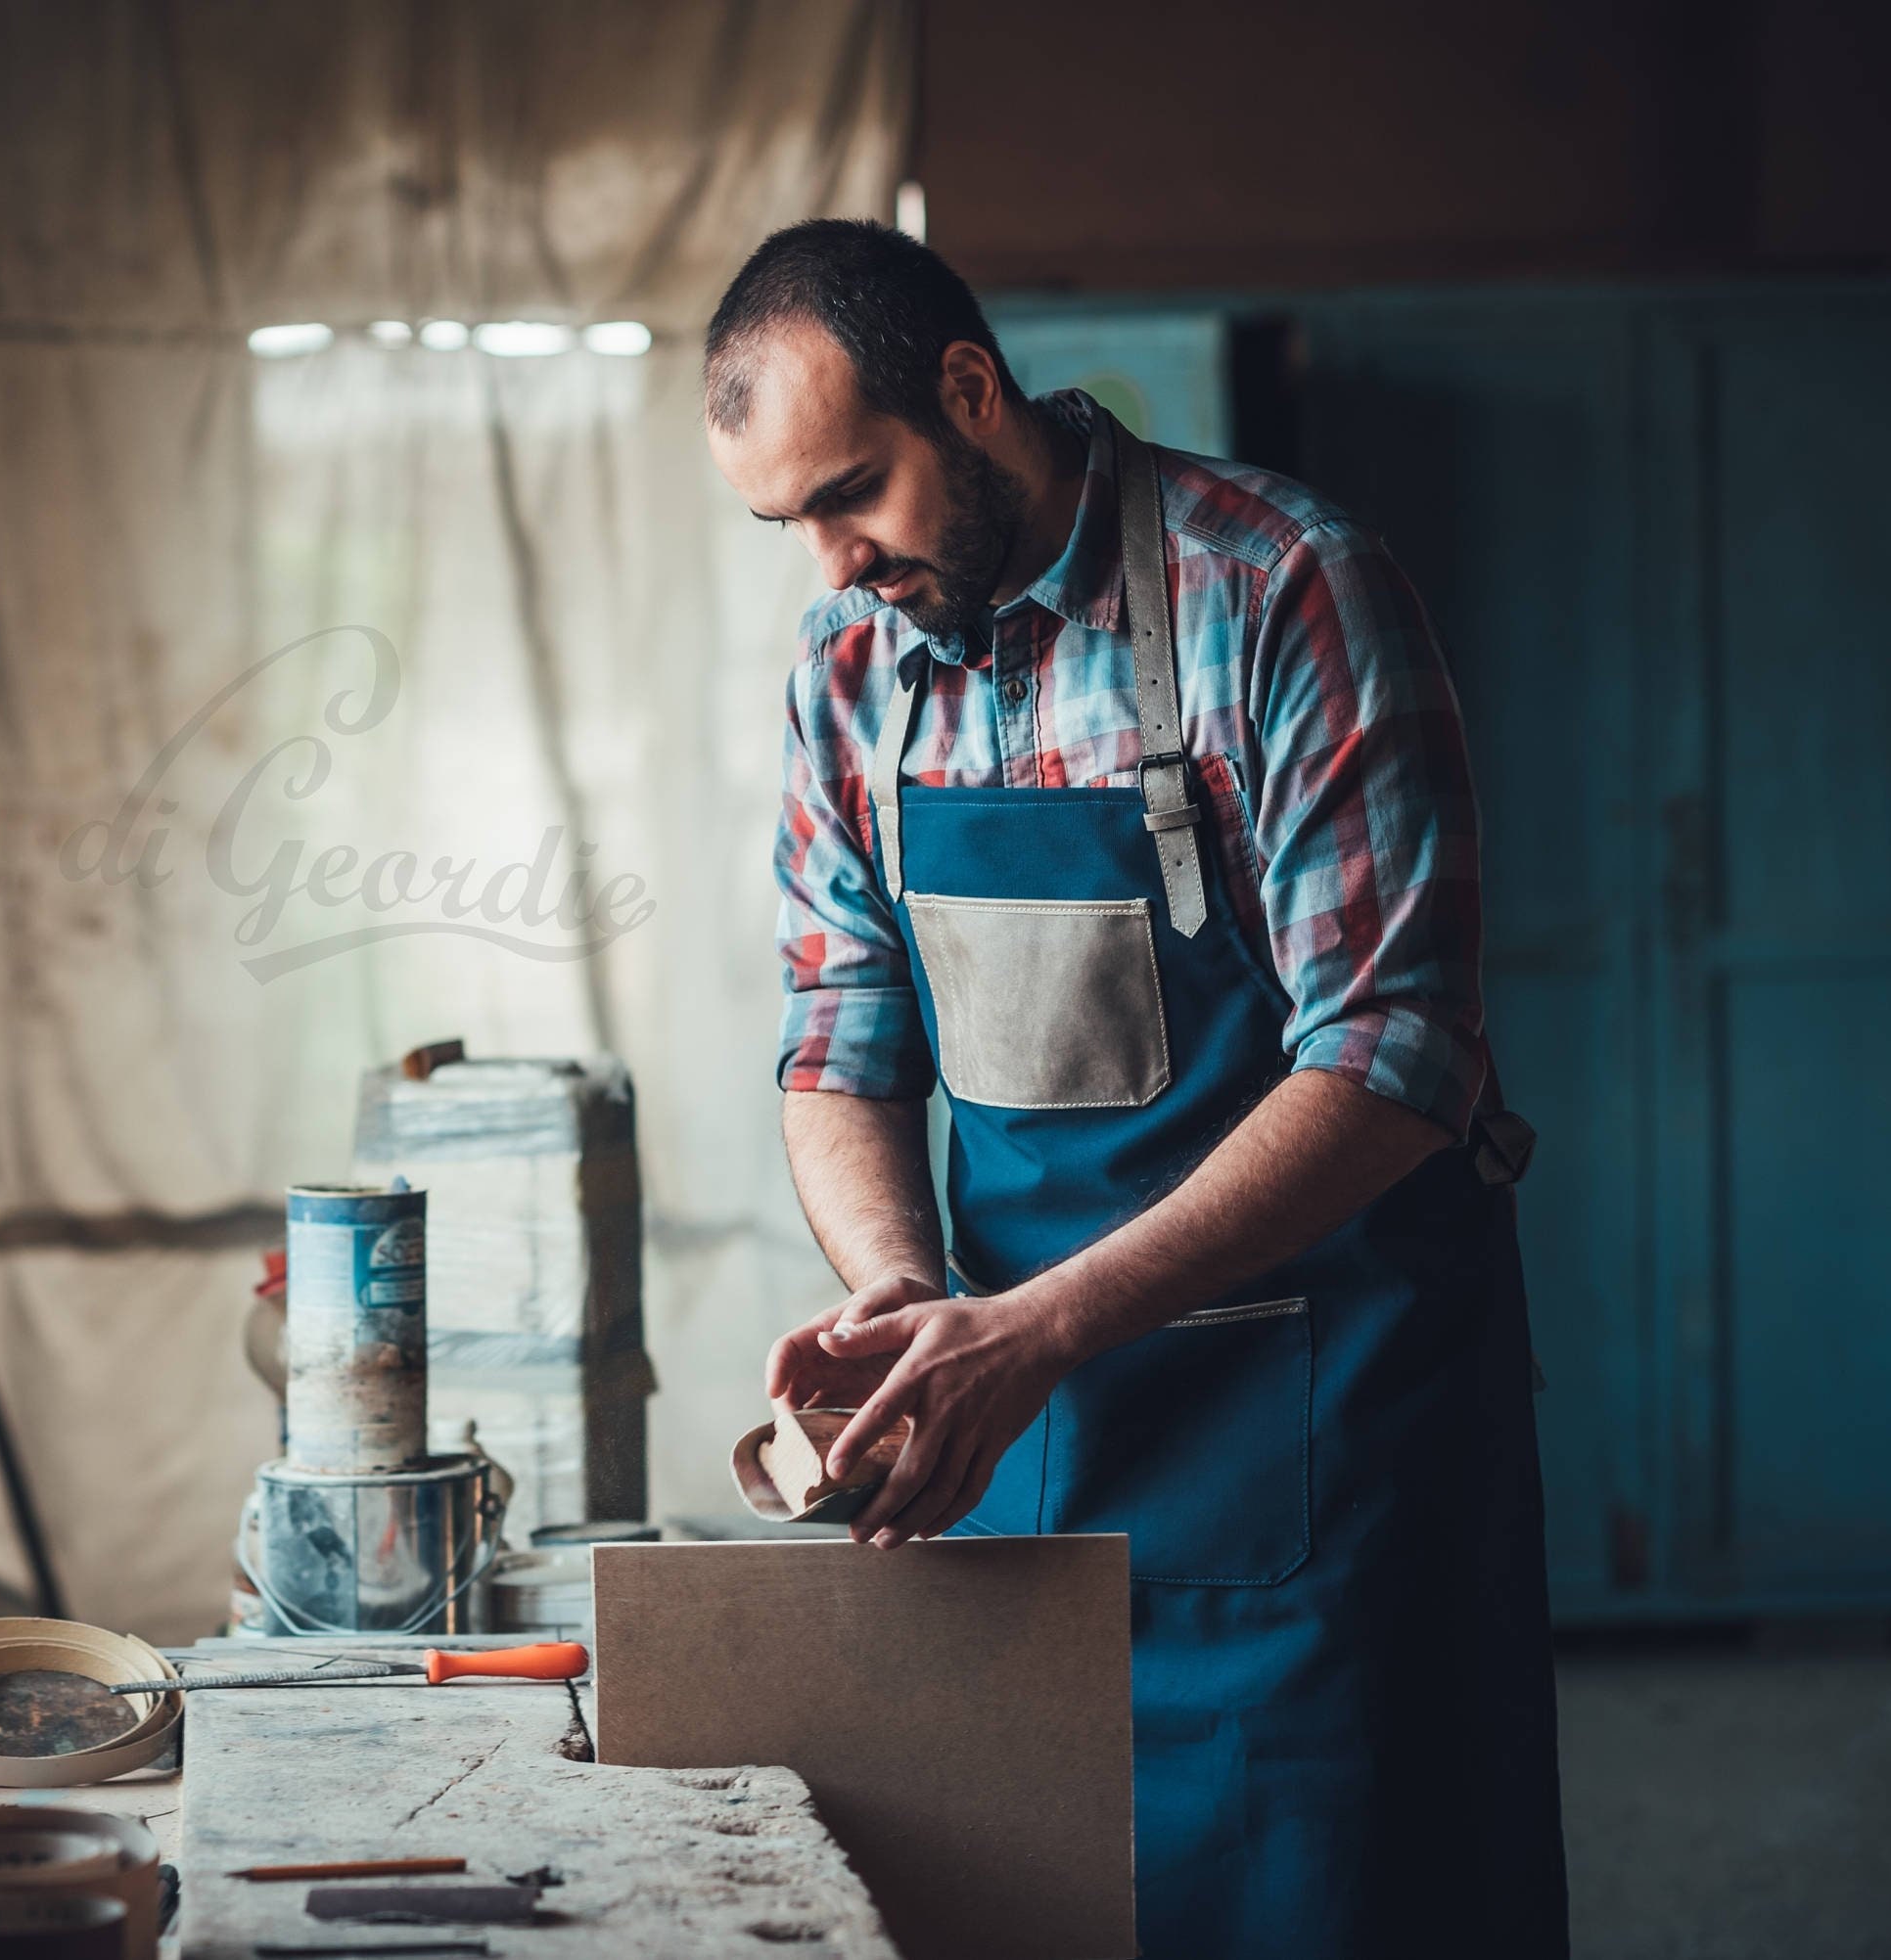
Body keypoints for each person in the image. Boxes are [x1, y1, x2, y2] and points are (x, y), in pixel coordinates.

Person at [704, 219, 1567, 1956]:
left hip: (1331, 1434)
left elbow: (1398, 1051)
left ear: (969, 392)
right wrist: (902, 1295)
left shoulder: (1282, 584)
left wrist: (1035, 1329)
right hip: (1034, 1442)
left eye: (852, 492)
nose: (832, 565)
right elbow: (840, 1039)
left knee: (1345, 1904)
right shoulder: (849, 680)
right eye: (788, 522)